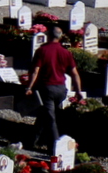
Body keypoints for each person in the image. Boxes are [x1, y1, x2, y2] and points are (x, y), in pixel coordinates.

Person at [26, 24, 76, 152]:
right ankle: (31, 140)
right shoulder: (66, 52)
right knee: (44, 114)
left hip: (47, 88)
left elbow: (35, 71)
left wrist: (29, 86)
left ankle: (55, 147)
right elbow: (74, 73)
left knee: (50, 118)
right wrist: (79, 91)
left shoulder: (42, 50)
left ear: (48, 36)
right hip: (61, 89)